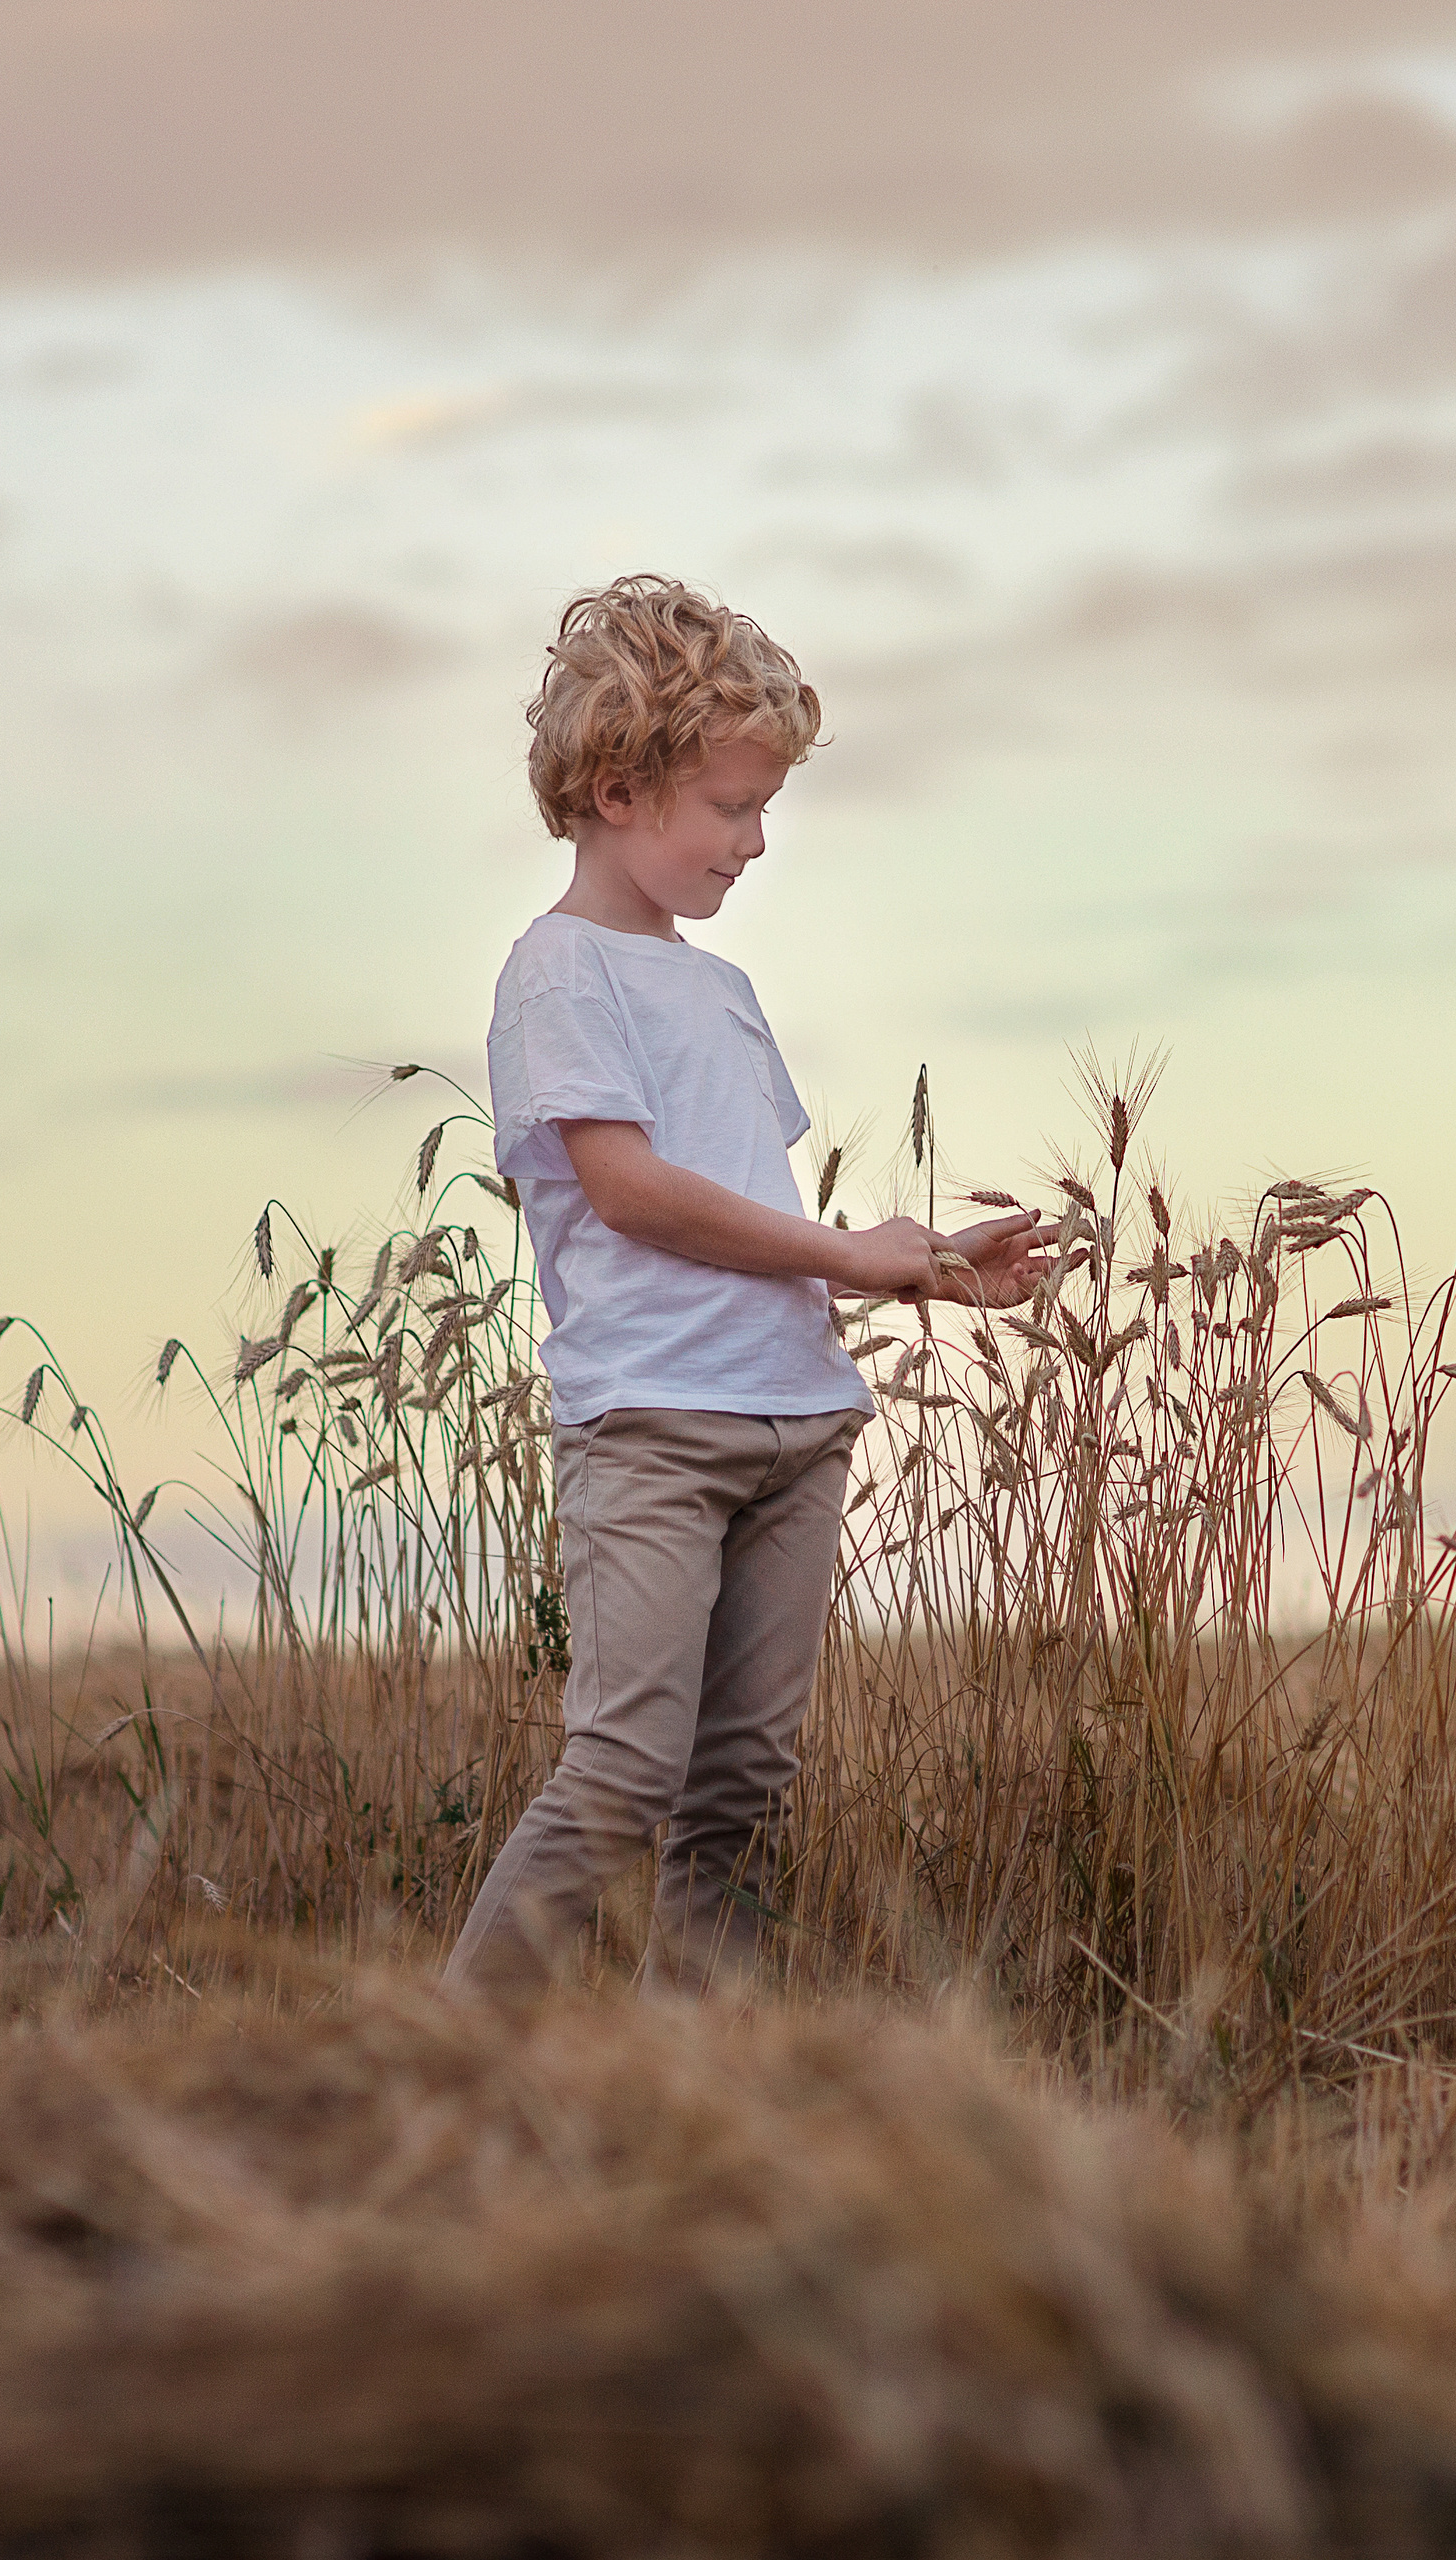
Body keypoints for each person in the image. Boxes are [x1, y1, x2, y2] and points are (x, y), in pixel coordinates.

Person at [446, 573, 1053, 1996]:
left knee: (740, 1789)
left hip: (797, 1421)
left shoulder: (720, 990)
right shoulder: (558, 973)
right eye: (731, 807)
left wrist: (923, 1270)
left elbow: (752, 1205)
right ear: (616, 791)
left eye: (764, 808)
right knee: (621, 1771)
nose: (757, 841)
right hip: (653, 1428)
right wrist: (853, 1255)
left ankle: (704, 2080)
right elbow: (633, 1190)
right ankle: (437, 2067)